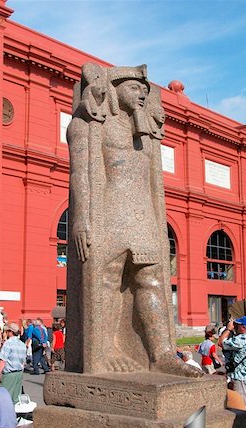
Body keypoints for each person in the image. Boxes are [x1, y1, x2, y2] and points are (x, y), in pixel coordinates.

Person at [66, 63, 201, 377]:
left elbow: (155, 184)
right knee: (107, 282)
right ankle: (106, 349)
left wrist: (159, 224)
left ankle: (162, 353)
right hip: (107, 213)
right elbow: (80, 175)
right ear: (114, 90)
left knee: (151, 281)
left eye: (144, 90)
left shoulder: (148, 135)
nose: (141, 95)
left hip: (143, 216)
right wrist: (82, 219)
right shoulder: (86, 126)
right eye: (133, 88)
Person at [219, 316, 246, 405]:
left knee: (240, 405)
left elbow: (221, 342)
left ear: (244, 327)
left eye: (237, 325)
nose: (236, 326)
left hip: (241, 378)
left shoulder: (241, 339)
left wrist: (228, 329)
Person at [0, 323, 27, 403]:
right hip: (19, 373)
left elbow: (3, 360)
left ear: (10, 332)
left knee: (5, 396)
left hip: (9, 373)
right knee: (16, 398)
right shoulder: (22, 344)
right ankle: (15, 414)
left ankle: (6, 414)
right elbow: (23, 361)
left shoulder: (8, 344)